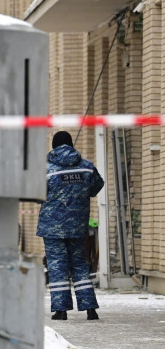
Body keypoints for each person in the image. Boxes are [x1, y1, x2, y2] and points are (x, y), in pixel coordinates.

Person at [38, 130, 105, 320]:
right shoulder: (86, 167)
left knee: (57, 265)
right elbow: (96, 188)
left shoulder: (45, 169)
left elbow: (37, 195)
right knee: (80, 264)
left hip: (52, 228)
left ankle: (61, 310)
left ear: (53, 146)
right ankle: (90, 308)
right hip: (78, 226)